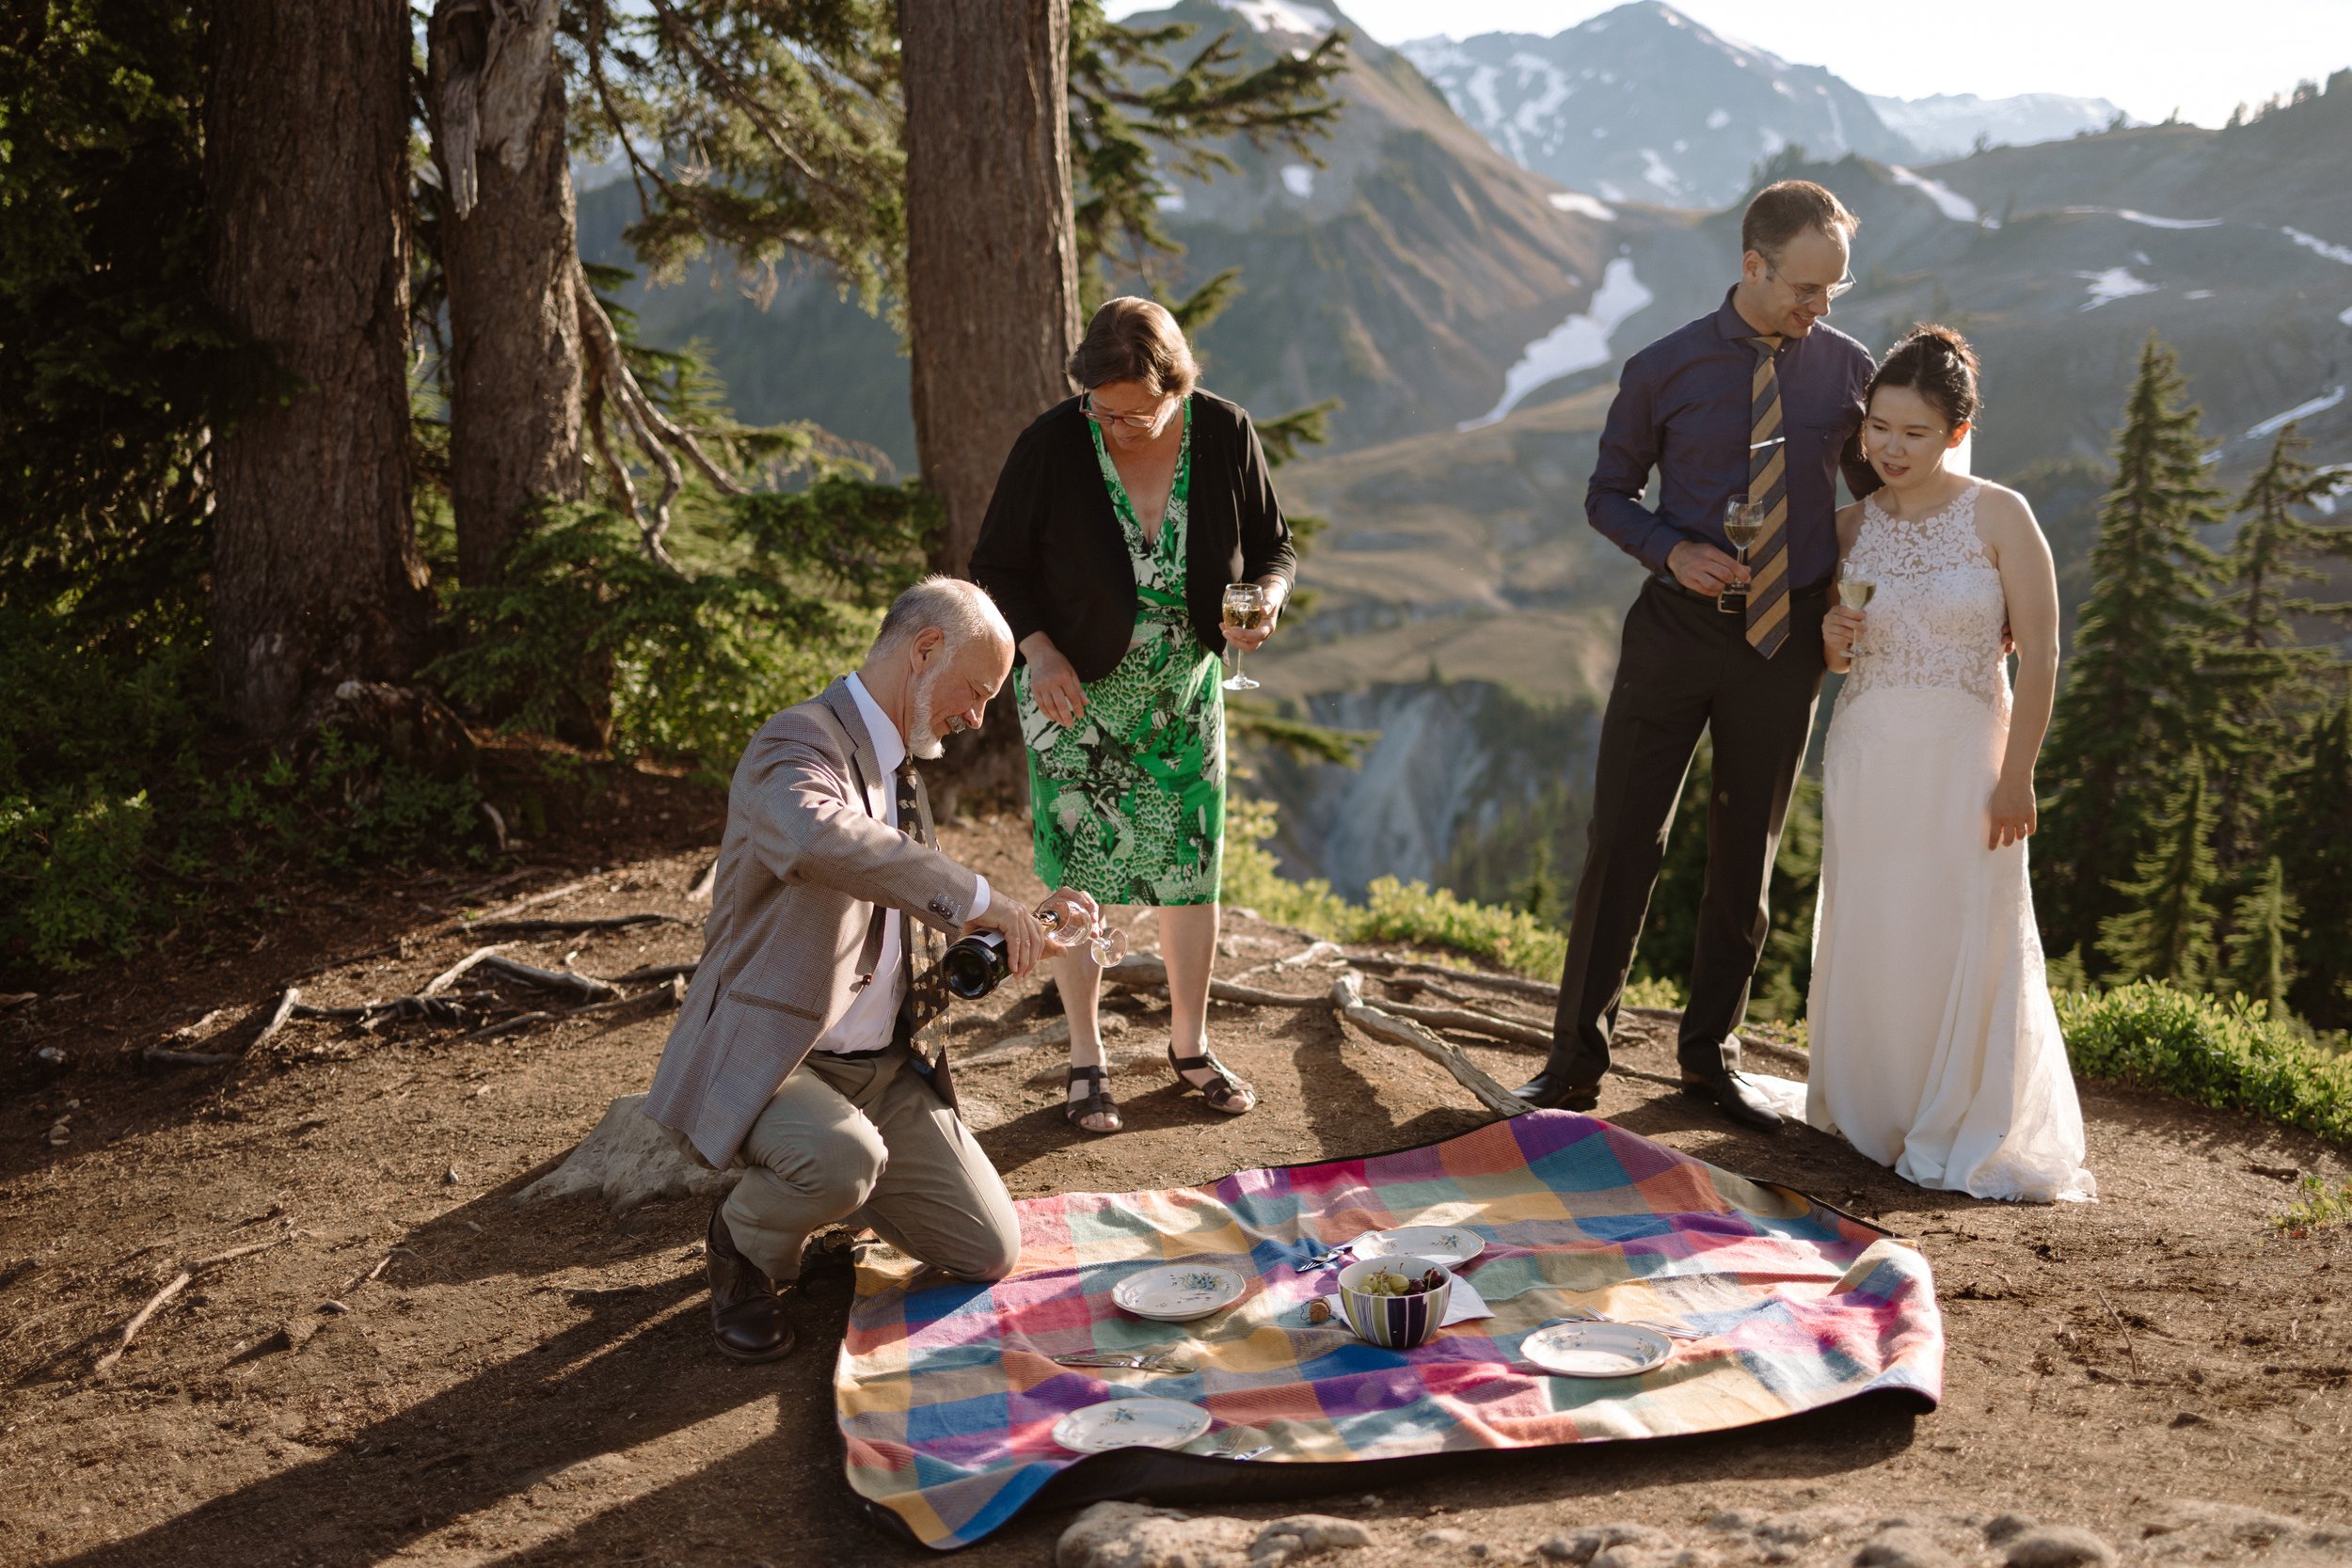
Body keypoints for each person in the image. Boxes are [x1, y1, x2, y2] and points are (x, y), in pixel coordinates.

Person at [643, 577, 1098, 1361]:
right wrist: (979, 895)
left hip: (883, 1069)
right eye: (978, 691)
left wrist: (1017, 931)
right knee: (842, 1160)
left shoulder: (902, 772)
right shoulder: (796, 741)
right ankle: (744, 1247)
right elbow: (818, 840)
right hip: (780, 1056)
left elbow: (894, 919)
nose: (978, 717)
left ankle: (831, 1199)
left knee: (989, 1248)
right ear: (925, 651)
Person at [1516, 181, 1880, 1132]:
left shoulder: (1847, 369)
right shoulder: (1661, 366)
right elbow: (1605, 494)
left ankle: (1709, 1062)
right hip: (1674, 631)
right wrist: (1667, 547)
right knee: (1622, 842)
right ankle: (1572, 1063)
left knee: (1742, 859)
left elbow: (1882, 495)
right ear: (1752, 264)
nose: (1819, 307)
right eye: (1805, 287)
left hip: (1786, 639)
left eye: (1833, 289)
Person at [968, 296, 1297, 1134]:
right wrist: (1038, 651)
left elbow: (1275, 548)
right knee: (1082, 880)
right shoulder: (1052, 443)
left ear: (1176, 387)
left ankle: (1189, 1046)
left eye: (1137, 413)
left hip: (1183, 695)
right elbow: (995, 565)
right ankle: (1087, 1055)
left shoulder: (1225, 432)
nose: (1116, 426)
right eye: (1102, 410)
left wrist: (1265, 598)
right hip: (1070, 691)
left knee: (1191, 870)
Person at [1806, 326, 2095, 1201]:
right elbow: (1835, 660)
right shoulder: (1849, 527)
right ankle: (1874, 1108)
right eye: (1878, 428)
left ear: (1957, 433)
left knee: (1964, 923)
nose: (1890, 448)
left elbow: (2042, 654)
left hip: (1970, 760)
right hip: (1868, 756)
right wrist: (1831, 637)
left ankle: (1958, 1111)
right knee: (1876, 924)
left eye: (1915, 432)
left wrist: (2019, 774)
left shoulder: (2002, 514)